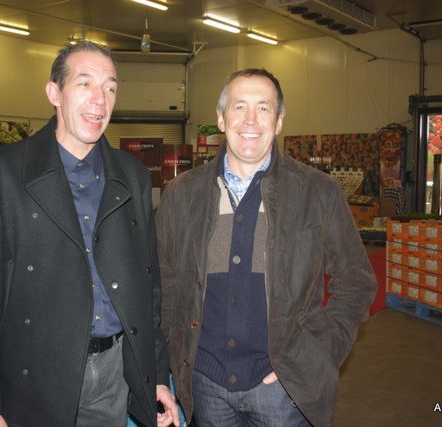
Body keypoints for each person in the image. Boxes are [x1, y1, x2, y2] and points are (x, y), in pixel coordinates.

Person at [0, 41, 179, 427]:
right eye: (84, 83)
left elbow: (148, 289)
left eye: (110, 88)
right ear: (54, 93)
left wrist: (155, 375)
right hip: (37, 375)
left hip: (113, 373)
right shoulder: (3, 172)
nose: (100, 99)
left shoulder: (132, 176)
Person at [155, 68, 377, 427]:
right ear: (221, 119)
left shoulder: (317, 192)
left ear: (279, 121)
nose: (250, 120)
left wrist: (316, 353)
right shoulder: (182, 194)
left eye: (263, 108)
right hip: (205, 385)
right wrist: (172, 357)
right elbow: (164, 284)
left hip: (284, 389)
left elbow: (356, 282)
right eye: (239, 106)